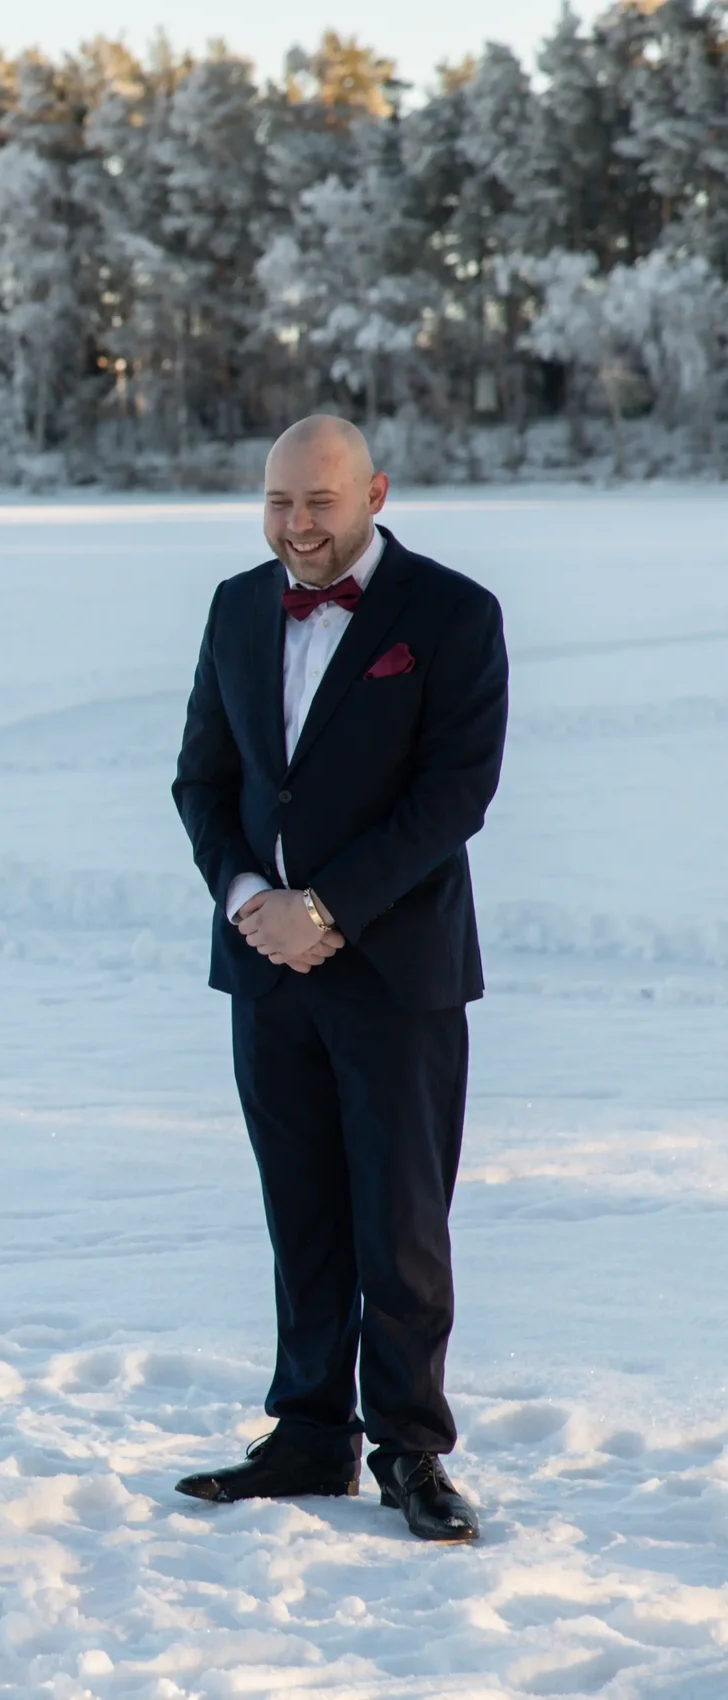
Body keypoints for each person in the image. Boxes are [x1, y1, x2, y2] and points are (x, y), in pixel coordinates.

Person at [170, 416, 509, 1543]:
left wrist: (327, 906)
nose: (296, 527)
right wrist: (247, 901)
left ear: (372, 492)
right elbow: (201, 781)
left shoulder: (451, 614)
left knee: (401, 1220)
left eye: (317, 503)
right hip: (265, 966)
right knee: (300, 1207)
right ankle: (310, 1430)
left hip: (395, 966)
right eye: (276, 503)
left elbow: (451, 794)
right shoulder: (232, 604)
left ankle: (409, 1444)